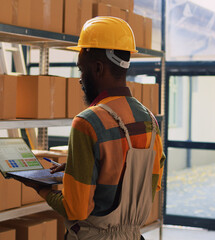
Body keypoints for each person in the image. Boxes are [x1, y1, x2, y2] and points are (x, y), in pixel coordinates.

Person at [24, 16, 166, 240]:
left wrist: (41, 189)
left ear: (98, 68)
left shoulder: (88, 122)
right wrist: (84, 170)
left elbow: (77, 209)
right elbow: (151, 184)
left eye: (82, 69)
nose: (80, 78)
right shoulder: (149, 120)